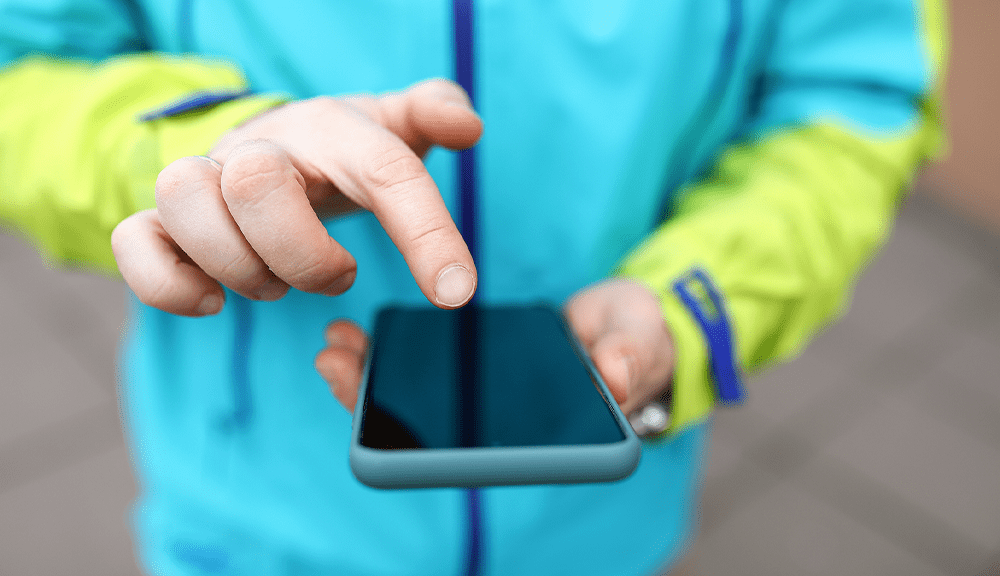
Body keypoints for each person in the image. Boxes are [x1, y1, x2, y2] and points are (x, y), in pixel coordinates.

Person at [0, 0, 946, 573]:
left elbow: (854, 97)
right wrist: (197, 156)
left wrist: (693, 303)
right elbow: (23, 70)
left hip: (610, 521)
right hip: (259, 522)